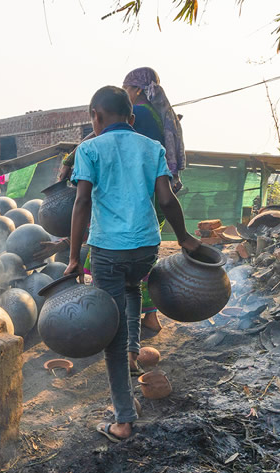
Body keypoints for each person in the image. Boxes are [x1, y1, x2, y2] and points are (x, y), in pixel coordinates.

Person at [46, 86, 199, 441]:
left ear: (95, 117)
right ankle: (133, 356)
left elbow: (81, 203)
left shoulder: (89, 149)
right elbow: (166, 197)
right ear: (131, 119)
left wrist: (72, 256)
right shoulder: (152, 147)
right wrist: (186, 236)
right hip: (146, 247)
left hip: (108, 251)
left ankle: (124, 419)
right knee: (132, 293)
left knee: (111, 333)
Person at [122, 67, 187, 335]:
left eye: (125, 87)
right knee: (145, 252)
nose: (123, 92)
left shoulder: (142, 116)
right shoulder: (160, 115)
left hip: (146, 193)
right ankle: (147, 315)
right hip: (157, 193)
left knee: (134, 255)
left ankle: (146, 316)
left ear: (137, 89)